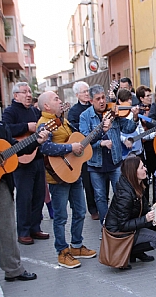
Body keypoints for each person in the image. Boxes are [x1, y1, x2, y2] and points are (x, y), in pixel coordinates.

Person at [38, 91, 96, 268]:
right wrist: (71, 146)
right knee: (61, 216)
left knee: (79, 211)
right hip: (58, 177)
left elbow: (80, 140)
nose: (60, 100)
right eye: (56, 98)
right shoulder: (43, 124)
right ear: (46, 106)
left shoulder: (63, 121)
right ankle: (62, 252)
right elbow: (45, 147)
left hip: (73, 172)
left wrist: (100, 131)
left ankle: (77, 246)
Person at [0, 118, 48, 281]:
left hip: (1, 183)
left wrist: (36, 141)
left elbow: (13, 148)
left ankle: (13, 269)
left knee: (6, 227)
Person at [79, 84, 139, 228]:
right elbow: (84, 140)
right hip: (95, 163)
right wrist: (101, 142)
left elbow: (128, 128)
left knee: (120, 193)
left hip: (114, 161)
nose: (102, 101)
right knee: (100, 196)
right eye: (98, 99)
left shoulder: (113, 112)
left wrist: (135, 117)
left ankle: (120, 224)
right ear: (91, 101)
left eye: (103, 98)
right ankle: (106, 226)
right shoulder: (85, 116)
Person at [2, 82, 49, 245]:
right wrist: (26, 126)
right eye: (24, 92)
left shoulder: (35, 111)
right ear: (16, 95)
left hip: (36, 158)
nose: (29, 95)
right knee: (24, 197)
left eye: (30, 91)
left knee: (38, 195)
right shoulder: (10, 112)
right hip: (21, 162)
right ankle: (23, 231)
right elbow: (6, 130)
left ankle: (35, 227)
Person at [104, 157, 156, 269]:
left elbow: (144, 209)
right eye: (142, 167)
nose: (145, 169)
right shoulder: (125, 195)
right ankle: (125, 252)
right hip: (117, 232)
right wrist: (145, 219)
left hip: (127, 225)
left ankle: (136, 252)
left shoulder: (136, 185)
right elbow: (123, 225)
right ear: (133, 172)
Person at [67, 81, 98, 220]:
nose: (86, 94)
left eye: (88, 91)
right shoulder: (74, 111)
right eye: (84, 92)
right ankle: (92, 209)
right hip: (83, 149)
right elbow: (74, 130)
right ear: (77, 94)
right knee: (88, 180)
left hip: (97, 146)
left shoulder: (95, 107)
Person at [136, 85, 156, 192]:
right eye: (148, 96)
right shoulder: (137, 112)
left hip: (155, 144)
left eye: (151, 95)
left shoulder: (154, 107)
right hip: (144, 146)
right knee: (144, 176)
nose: (150, 97)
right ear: (141, 98)